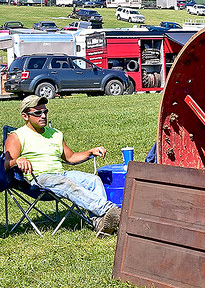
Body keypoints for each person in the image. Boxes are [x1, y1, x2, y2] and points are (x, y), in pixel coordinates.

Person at [4, 94, 119, 233]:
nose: (43, 116)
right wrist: (18, 160)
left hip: (61, 174)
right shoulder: (16, 136)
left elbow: (70, 157)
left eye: (45, 111)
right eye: (38, 113)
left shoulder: (55, 134)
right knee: (65, 182)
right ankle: (108, 210)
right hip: (37, 179)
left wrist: (90, 151)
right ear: (25, 116)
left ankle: (99, 222)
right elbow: (6, 163)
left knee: (93, 180)